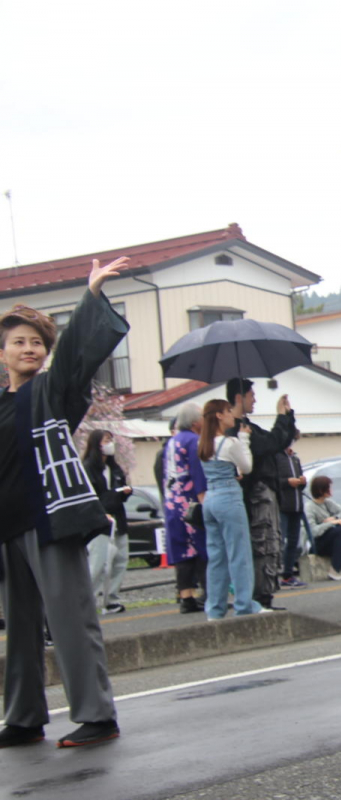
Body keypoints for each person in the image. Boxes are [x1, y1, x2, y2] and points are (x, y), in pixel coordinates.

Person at [0, 256, 129, 749]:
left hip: (50, 519)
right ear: (3, 351)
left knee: (71, 618)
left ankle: (97, 714)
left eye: (36, 342)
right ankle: (24, 716)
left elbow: (77, 350)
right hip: (7, 526)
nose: (28, 348)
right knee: (21, 628)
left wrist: (91, 294)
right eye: (18, 342)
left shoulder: (51, 392)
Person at [225, 378, 297, 610]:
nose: (254, 400)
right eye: (251, 395)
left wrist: (287, 416)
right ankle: (259, 596)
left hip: (265, 493)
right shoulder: (236, 430)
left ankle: (264, 594)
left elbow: (277, 441)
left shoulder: (248, 426)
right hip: (255, 494)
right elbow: (268, 444)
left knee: (271, 542)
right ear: (239, 397)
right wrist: (281, 418)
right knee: (262, 544)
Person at [198, 399, 266, 619]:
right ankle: (244, 604)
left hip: (210, 498)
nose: (231, 416)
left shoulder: (204, 444)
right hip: (229, 497)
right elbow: (246, 466)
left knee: (217, 556)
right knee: (239, 553)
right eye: (228, 411)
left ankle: (215, 609)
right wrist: (244, 438)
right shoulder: (230, 442)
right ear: (218, 415)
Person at [82, 429, 133, 614]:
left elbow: (119, 492)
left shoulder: (115, 468)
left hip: (118, 519)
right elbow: (93, 497)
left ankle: (111, 599)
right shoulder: (88, 468)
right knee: (98, 564)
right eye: (106, 440)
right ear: (97, 444)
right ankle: (88, 602)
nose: (110, 443)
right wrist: (114, 495)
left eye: (111, 439)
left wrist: (124, 493)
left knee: (120, 560)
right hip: (99, 523)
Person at [163, 402, 208, 613]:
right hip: (190, 500)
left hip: (173, 501)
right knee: (200, 548)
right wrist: (203, 499)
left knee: (182, 549)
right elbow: (198, 473)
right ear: (195, 422)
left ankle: (186, 597)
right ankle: (209, 594)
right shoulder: (194, 441)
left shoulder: (172, 442)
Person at [305, 475, 341, 581]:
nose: (331, 490)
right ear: (320, 489)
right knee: (340, 530)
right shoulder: (309, 507)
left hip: (334, 540)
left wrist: (336, 518)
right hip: (319, 543)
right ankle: (335, 568)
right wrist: (332, 523)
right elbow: (313, 531)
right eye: (328, 488)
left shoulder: (328, 503)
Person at [274, 443, 308, 588]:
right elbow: (274, 481)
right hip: (282, 505)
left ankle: (288, 575)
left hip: (296, 505)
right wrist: (287, 482)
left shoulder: (295, 458)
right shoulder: (276, 456)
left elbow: (300, 485)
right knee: (279, 541)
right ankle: (273, 574)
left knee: (293, 542)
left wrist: (302, 482)